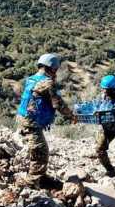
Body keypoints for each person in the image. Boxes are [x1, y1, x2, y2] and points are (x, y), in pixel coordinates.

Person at [15, 53, 76, 190]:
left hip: (25, 118)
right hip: (31, 122)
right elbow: (58, 104)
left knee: (39, 149)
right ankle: (31, 184)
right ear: (53, 69)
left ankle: (41, 178)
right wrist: (71, 116)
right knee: (40, 152)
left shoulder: (32, 79)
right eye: (56, 70)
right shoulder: (48, 83)